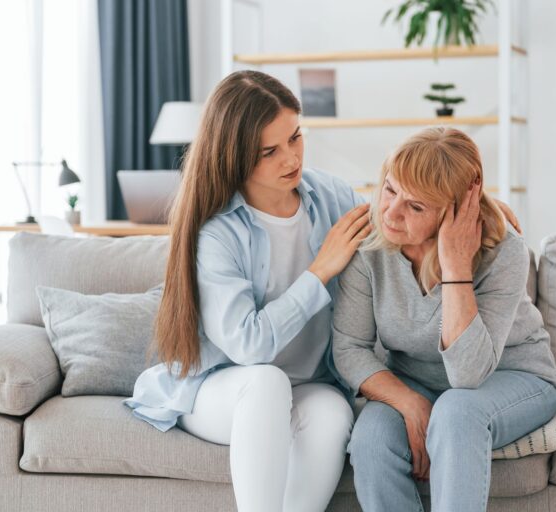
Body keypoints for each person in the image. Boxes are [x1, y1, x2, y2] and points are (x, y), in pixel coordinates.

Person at [124, 70, 372, 512]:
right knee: (266, 382)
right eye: (269, 152)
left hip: (312, 384)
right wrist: (318, 273)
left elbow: (396, 224)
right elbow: (248, 344)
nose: (291, 158)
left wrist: (476, 208)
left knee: (334, 416)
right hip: (224, 388)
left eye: (296, 137)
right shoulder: (218, 233)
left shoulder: (330, 196)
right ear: (235, 158)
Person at [332, 127, 556, 512]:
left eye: (416, 206)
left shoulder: (504, 252)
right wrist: (409, 402)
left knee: (456, 411)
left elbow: (467, 377)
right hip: (415, 382)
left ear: (455, 211)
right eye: (390, 190)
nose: (390, 213)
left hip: (514, 377)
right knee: (371, 438)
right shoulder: (368, 247)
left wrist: (456, 266)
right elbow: (349, 348)